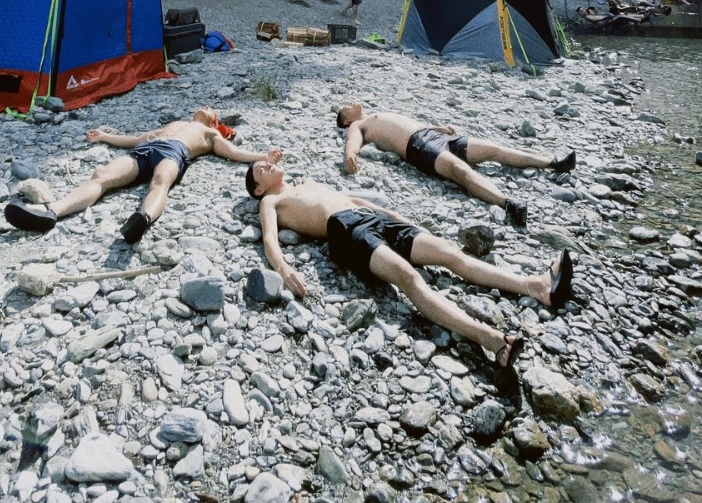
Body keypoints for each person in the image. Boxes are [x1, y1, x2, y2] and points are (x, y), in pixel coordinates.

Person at [245, 157, 573, 371]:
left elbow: (359, 200)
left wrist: (402, 221)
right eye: (262, 169)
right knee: (408, 277)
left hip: (373, 218)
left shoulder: (307, 184)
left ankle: (537, 287)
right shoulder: (272, 201)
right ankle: (491, 340)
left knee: (450, 254)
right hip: (347, 231)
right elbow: (270, 240)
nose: (269, 166)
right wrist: (284, 269)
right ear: (259, 189)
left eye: (266, 164)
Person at [4, 108, 278, 244]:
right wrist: (105, 136)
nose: (205, 107)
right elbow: (137, 139)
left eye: (210, 110)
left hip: (175, 152)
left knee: (162, 182)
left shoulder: (210, 133)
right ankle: (52, 211)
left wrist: (263, 158)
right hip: (147, 148)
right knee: (102, 175)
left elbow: (232, 152)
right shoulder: (176, 123)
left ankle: (142, 219)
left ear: (213, 120)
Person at [335, 105, 576, 229]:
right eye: (346, 106)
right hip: (419, 147)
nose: (351, 102)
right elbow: (352, 142)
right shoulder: (358, 126)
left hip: (431, 135)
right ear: (346, 119)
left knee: (493, 149)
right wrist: (351, 155)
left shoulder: (375, 112)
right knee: (461, 172)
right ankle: (508, 203)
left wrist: (438, 128)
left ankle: (552, 162)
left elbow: (408, 123)